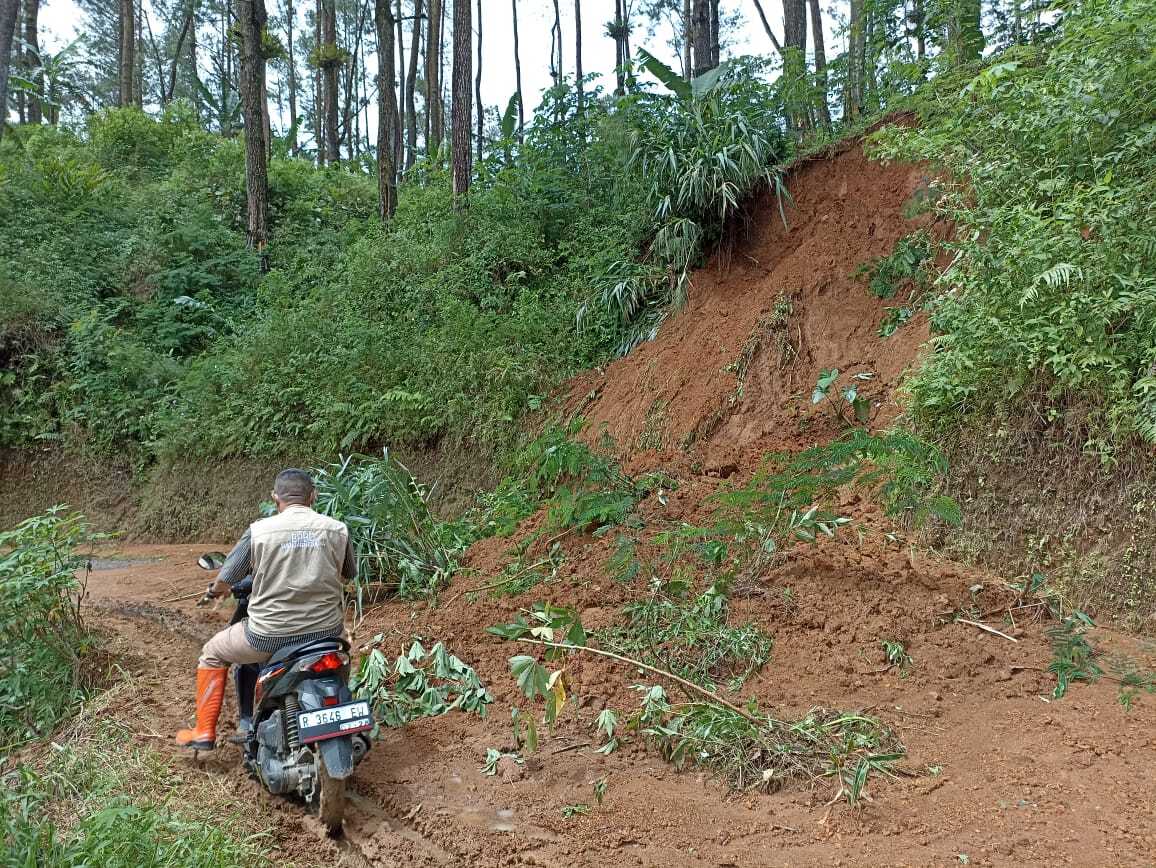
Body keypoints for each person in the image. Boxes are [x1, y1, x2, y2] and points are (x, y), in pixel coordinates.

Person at [176, 468, 357, 750]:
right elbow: (348, 575)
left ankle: (203, 733)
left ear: (275, 497)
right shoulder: (337, 529)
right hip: (325, 634)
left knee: (211, 653)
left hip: (267, 636)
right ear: (313, 496)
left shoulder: (260, 531)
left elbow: (228, 577)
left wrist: (216, 591)